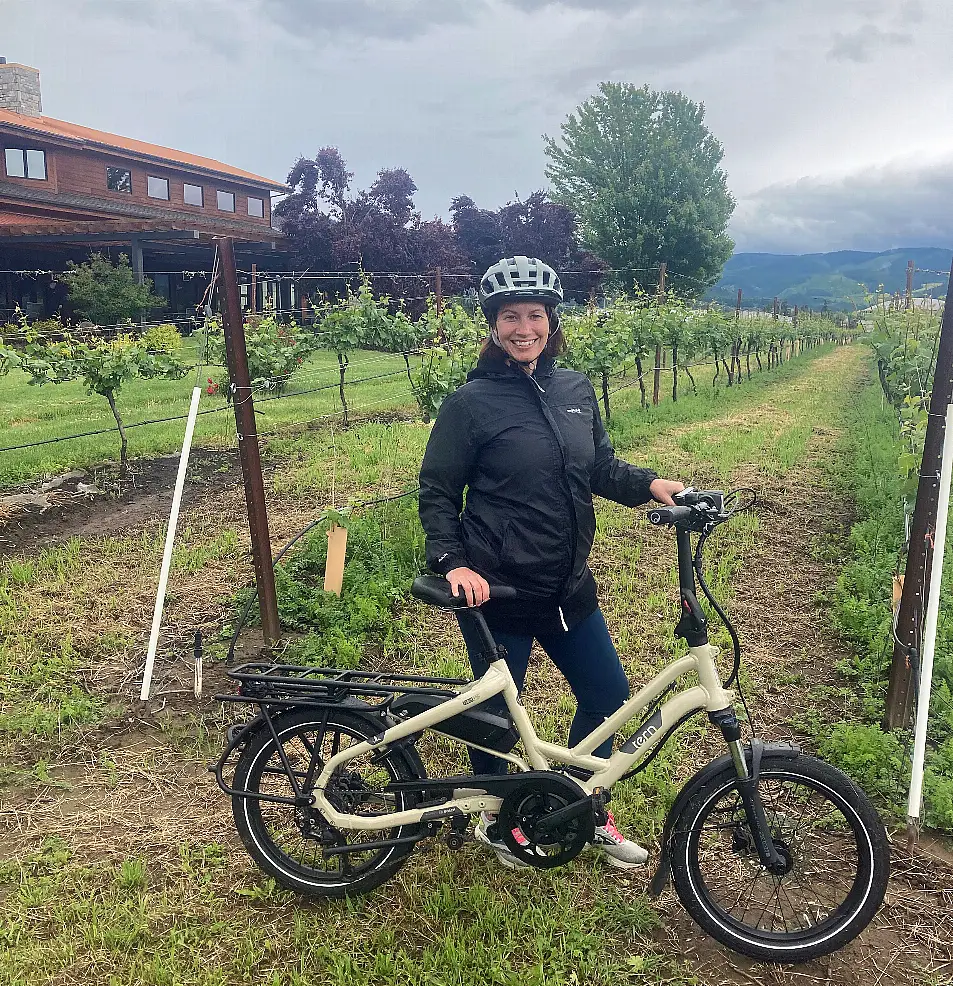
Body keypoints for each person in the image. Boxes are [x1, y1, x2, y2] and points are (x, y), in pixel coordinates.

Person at [418, 256, 684, 869]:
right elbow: (437, 489)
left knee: (608, 696)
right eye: (510, 316)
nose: (523, 327)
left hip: (567, 585)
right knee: (496, 718)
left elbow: (598, 469)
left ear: (551, 320)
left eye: (534, 315)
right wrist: (452, 560)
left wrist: (650, 485)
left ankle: (581, 806)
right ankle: (495, 814)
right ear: (491, 326)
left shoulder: (575, 390)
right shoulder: (470, 404)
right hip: (497, 589)